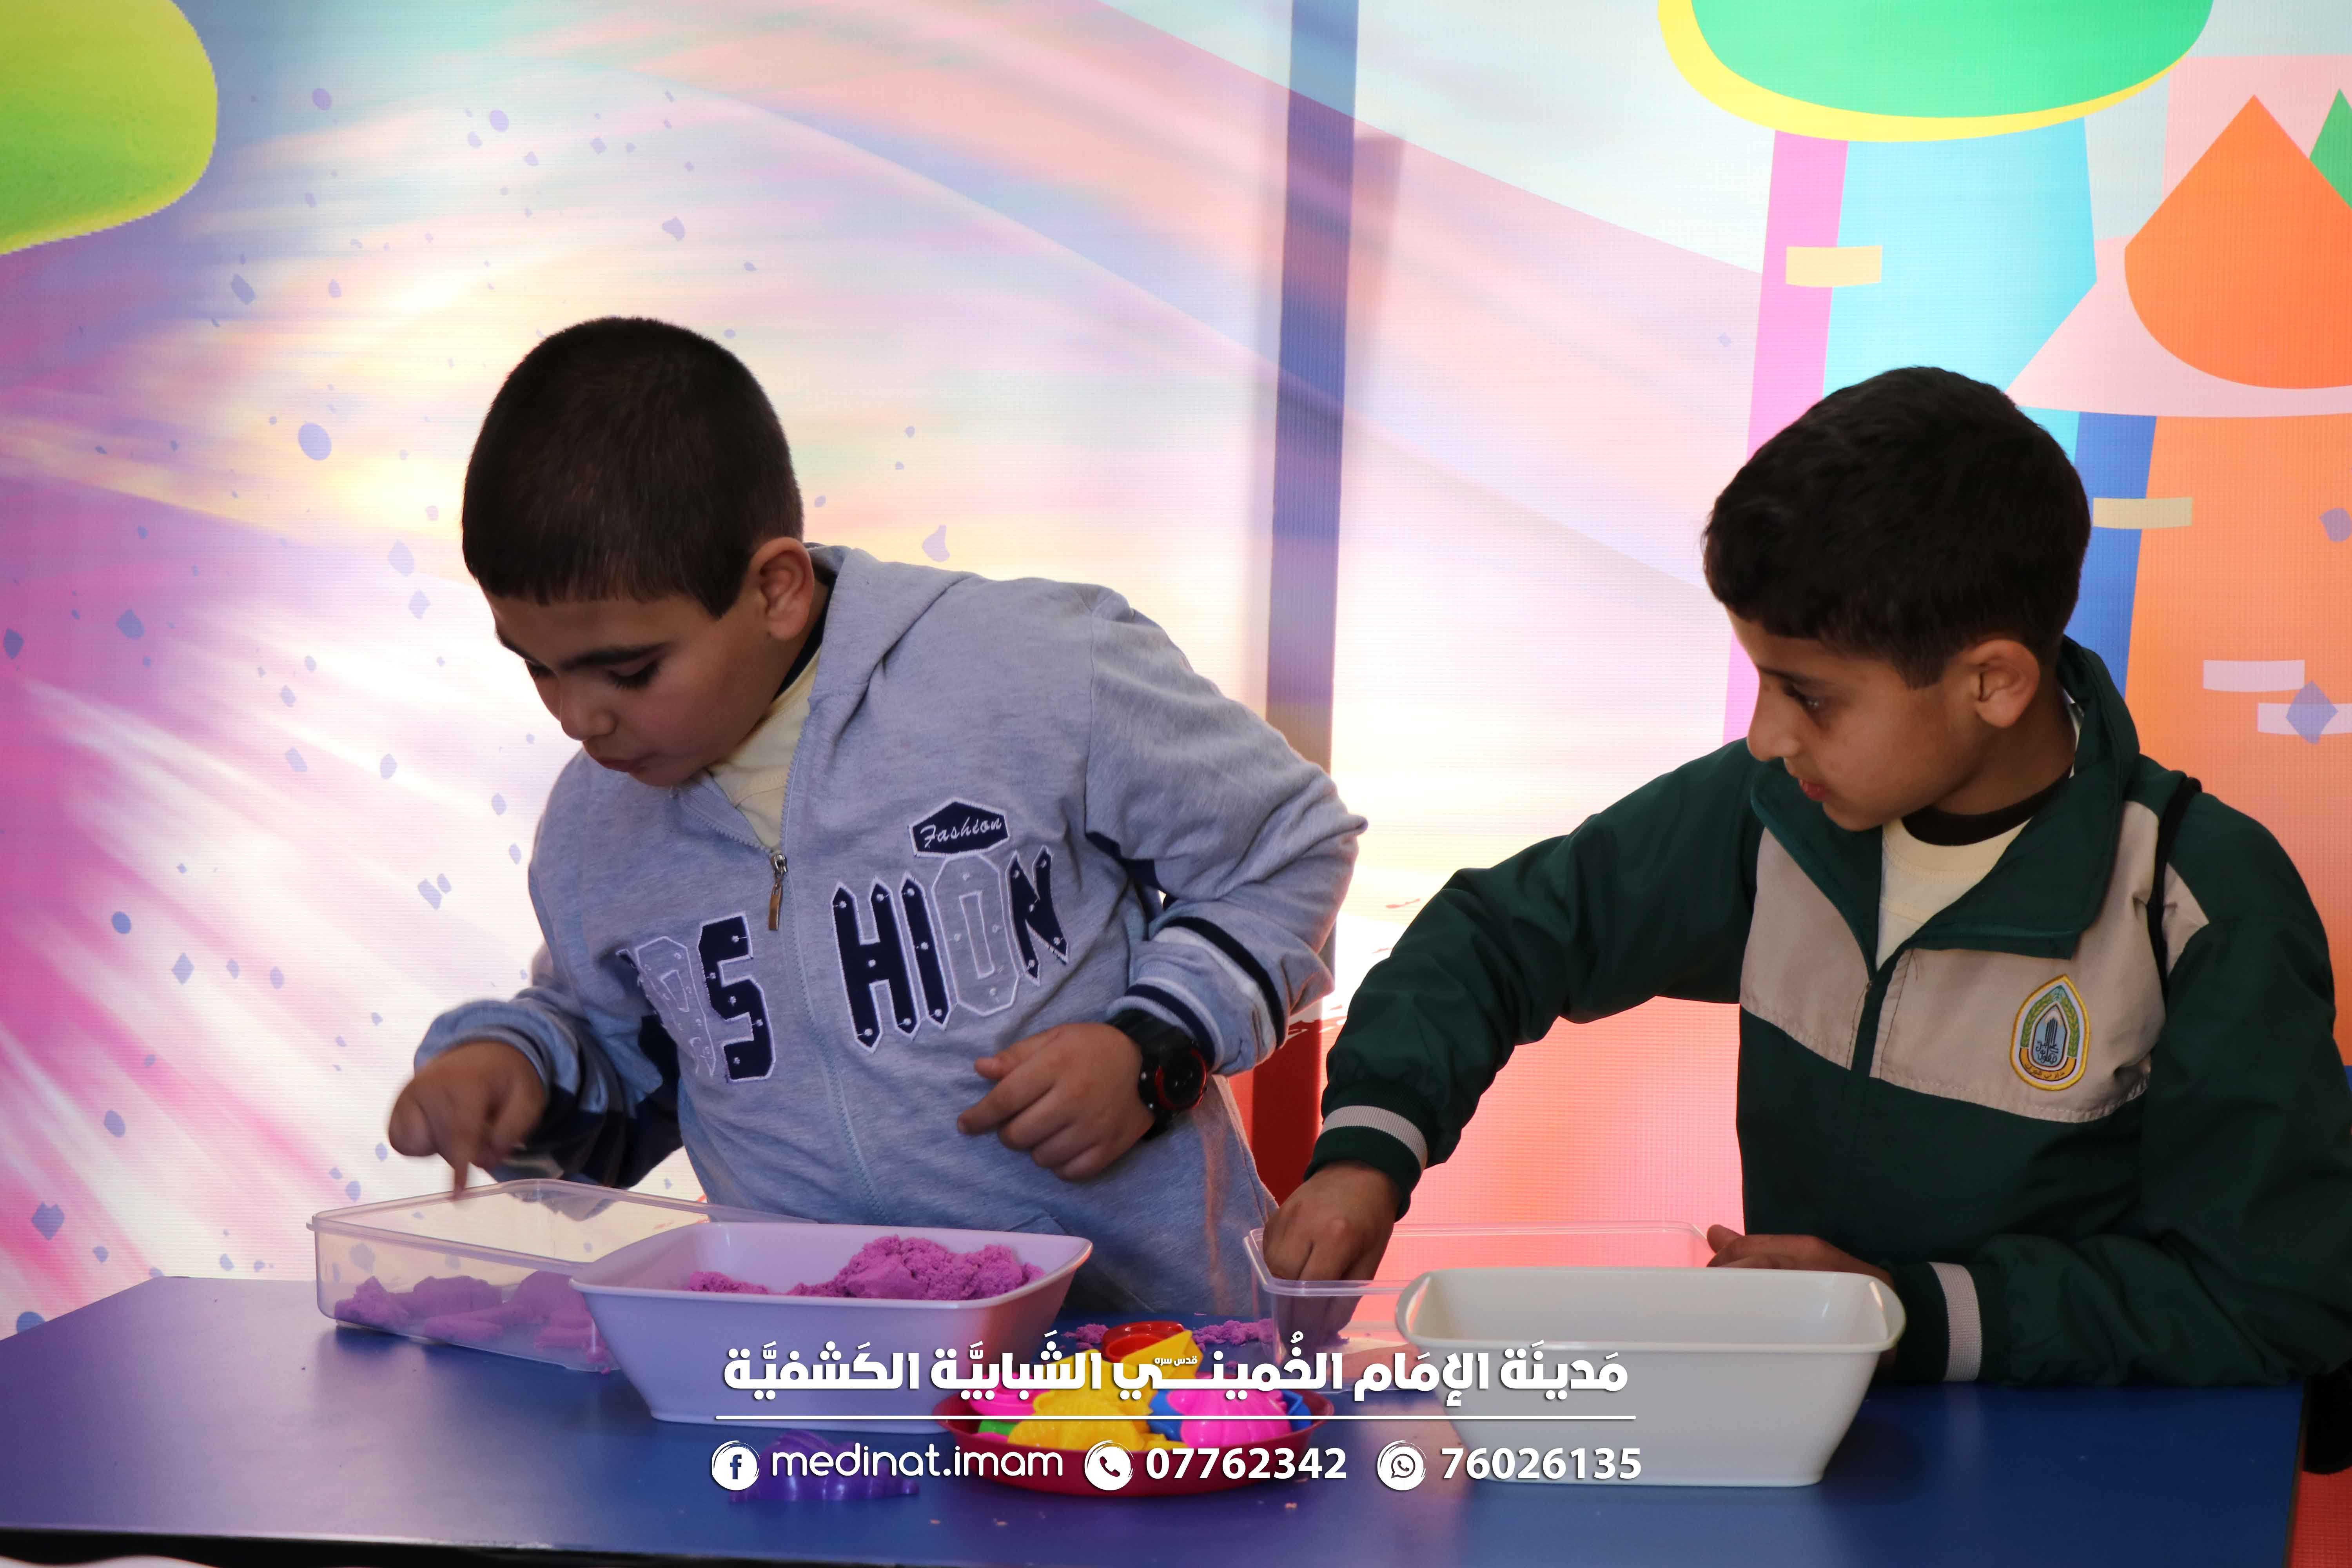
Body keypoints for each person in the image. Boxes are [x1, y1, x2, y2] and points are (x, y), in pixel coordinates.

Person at [1265, 366, 2352, 1385]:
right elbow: (1500, 937)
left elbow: (2274, 1301)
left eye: (1811, 695)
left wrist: (1907, 1313)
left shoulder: (2200, 900)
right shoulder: (1772, 811)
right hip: (1797, 1440)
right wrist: (1369, 1150)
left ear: (1993, 683)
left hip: (2089, 1478)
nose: (1765, 737)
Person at [386, 318, 1362, 1313]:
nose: (578, 716)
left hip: (1144, 1352)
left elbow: (1288, 848)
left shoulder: (1036, 670)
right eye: (538, 667)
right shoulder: (594, 827)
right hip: (818, 1364)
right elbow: (618, 1052)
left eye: (629, 670)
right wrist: (510, 1066)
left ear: (775, 590)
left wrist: (1154, 1051)